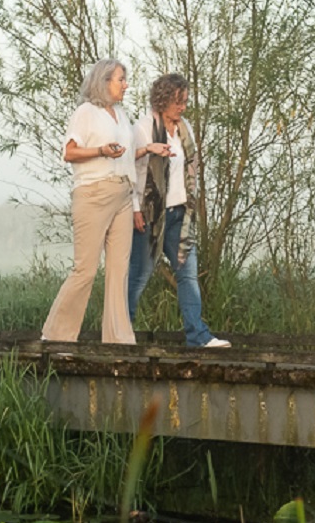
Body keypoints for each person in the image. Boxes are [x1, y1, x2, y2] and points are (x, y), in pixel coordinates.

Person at [127, 73, 230, 348]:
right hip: (151, 217)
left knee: (187, 275)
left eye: (184, 101)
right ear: (162, 100)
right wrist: (136, 210)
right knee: (139, 277)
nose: (183, 107)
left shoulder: (185, 129)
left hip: (180, 215)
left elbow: (191, 167)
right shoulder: (143, 128)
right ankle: (121, 335)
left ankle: (198, 337)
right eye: (178, 101)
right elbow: (133, 173)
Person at [40, 58, 138, 344]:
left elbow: (128, 158)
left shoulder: (121, 114)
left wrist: (136, 205)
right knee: (86, 268)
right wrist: (101, 151)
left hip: (122, 193)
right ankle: (56, 335)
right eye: (121, 79)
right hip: (94, 194)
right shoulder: (86, 112)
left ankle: (119, 339)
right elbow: (69, 153)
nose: (126, 85)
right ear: (104, 81)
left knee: (119, 269)